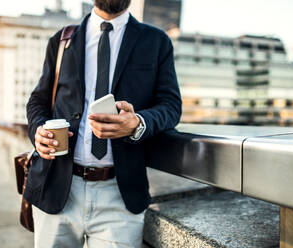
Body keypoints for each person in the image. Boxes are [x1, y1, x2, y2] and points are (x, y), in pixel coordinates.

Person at [25, 0, 182, 247]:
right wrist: (38, 130)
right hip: (57, 187)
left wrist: (138, 123)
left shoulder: (156, 42)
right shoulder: (62, 40)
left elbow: (171, 106)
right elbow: (37, 100)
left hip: (120, 195)